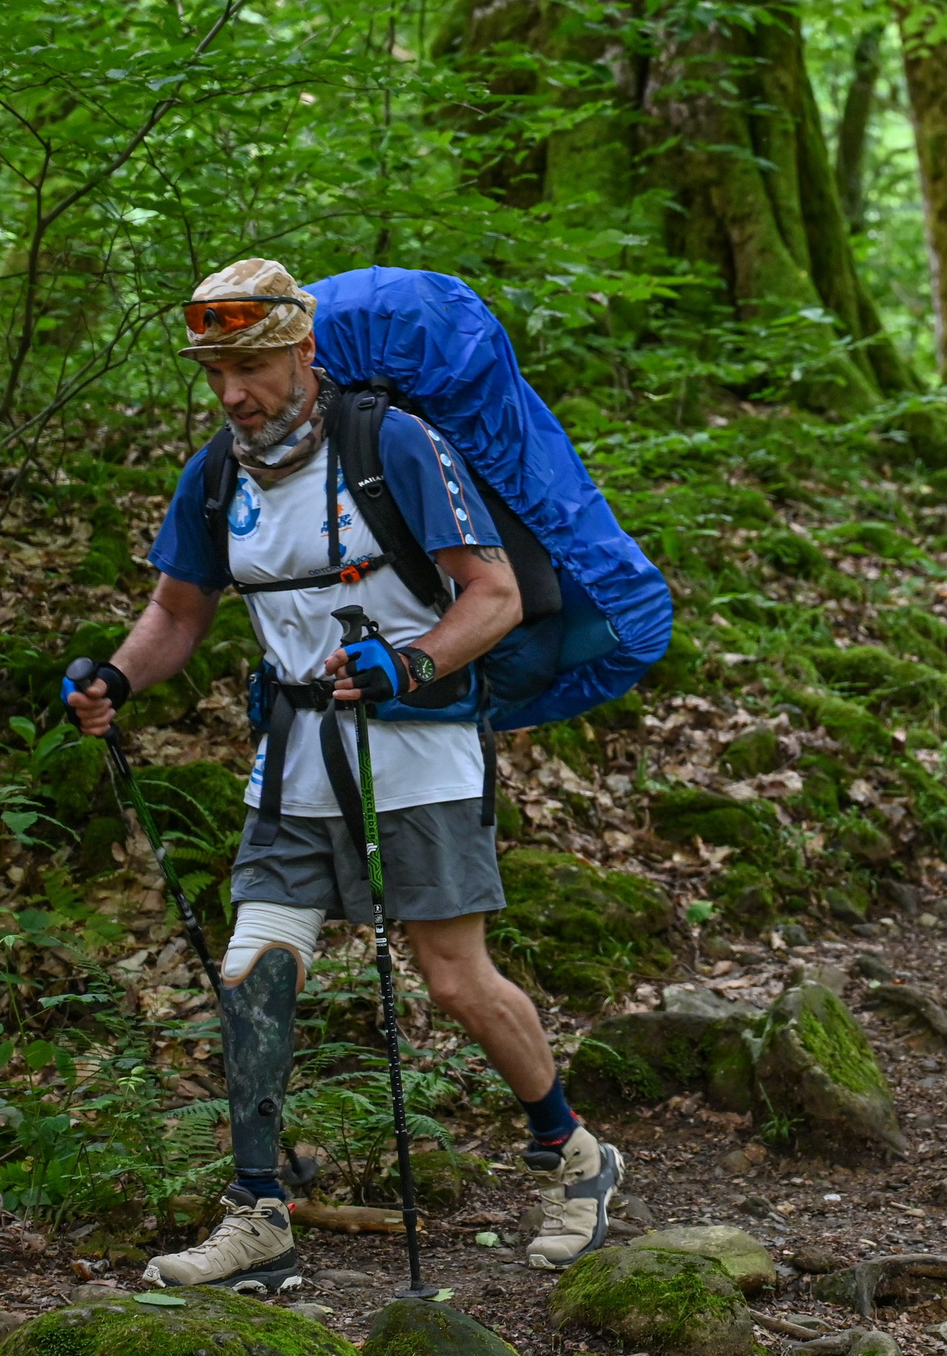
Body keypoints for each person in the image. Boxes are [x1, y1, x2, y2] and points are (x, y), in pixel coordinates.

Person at [65, 260, 621, 1291]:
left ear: (303, 351)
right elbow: (177, 612)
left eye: (251, 364)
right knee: (255, 971)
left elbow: (492, 595)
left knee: (455, 977)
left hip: (418, 745)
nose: (233, 390)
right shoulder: (218, 475)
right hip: (294, 756)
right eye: (215, 370)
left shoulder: (391, 444)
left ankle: (573, 1151)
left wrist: (410, 659)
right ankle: (258, 1210)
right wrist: (115, 675)